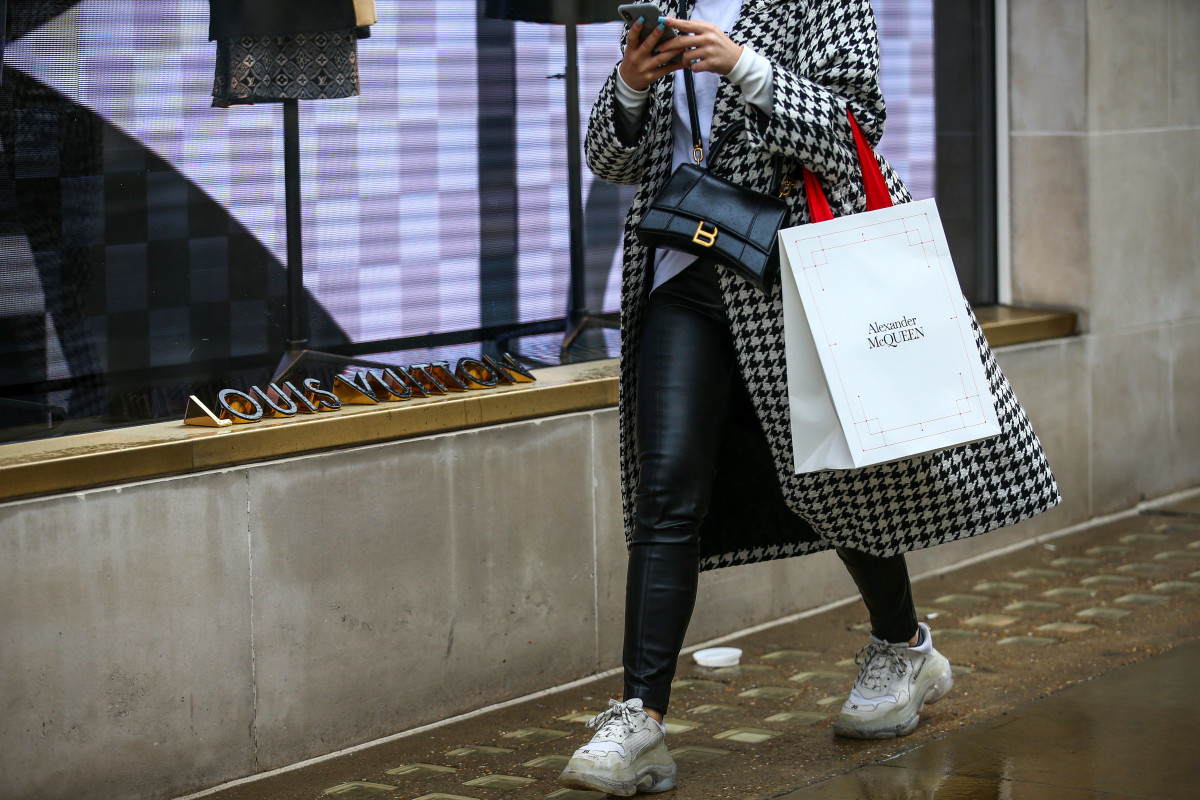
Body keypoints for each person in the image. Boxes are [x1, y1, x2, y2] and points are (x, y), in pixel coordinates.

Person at [558, 1, 1060, 795]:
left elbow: (852, 128)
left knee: (835, 471)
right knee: (666, 493)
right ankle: (640, 720)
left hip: (794, 276)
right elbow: (609, 161)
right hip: (682, 272)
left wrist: (744, 67)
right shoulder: (669, 5)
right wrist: (629, 83)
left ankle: (903, 647)